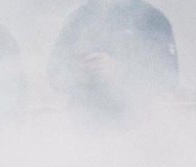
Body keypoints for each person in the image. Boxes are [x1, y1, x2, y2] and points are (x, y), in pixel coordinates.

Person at [49, 0, 179, 121]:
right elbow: (55, 74)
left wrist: (119, 70)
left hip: (136, 124)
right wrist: (77, 71)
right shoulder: (78, 18)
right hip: (84, 124)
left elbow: (167, 78)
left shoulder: (152, 20)